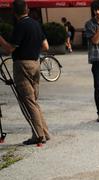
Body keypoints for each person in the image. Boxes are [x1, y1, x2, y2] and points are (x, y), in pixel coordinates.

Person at [0, 0, 50, 146]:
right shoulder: (36, 24)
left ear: (14, 12)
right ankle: (44, 133)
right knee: (33, 101)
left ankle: (38, 135)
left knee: (27, 102)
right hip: (35, 64)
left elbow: (10, 49)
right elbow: (45, 46)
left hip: (22, 65)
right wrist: (32, 48)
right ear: (27, 9)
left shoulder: (20, 26)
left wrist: (1, 39)